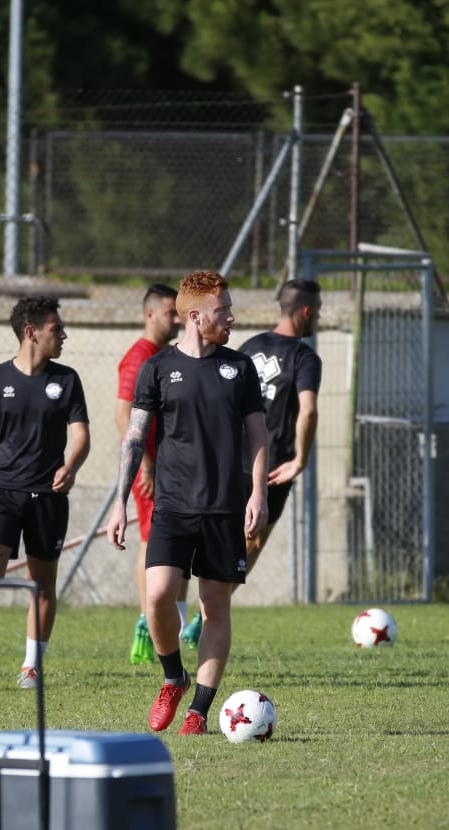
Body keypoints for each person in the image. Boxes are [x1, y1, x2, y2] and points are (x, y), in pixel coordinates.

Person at [105, 270, 269, 735]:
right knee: (157, 595)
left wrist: (256, 491)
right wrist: (121, 501)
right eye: (224, 310)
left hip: (224, 507)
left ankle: (198, 710)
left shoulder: (239, 369)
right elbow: (135, 437)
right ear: (195, 316)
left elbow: (257, 435)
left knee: (215, 606)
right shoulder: (157, 368)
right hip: (173, 507)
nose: (232, 317)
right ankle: (172, 677)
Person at [0, 296, 90, 690]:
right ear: (31, 332)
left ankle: (31, 667)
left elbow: (82, 437)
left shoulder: (67, 380)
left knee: (41, 584)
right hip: (0, 493)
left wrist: (70, 467)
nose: (63, 335)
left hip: (47, 497)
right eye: (56, 329)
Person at [115, 284, 199, 663]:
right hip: (150, 469)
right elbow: (123, 416)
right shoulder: (139, 358)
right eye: (170, 312)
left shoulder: (166, 356)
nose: (177, 319)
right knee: (154, 541)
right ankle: (149, 624)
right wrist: (146, 465)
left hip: (171, 468)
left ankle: (173, 626)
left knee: (178, 547)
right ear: (150, 314)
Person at [238, 278, 323, 576]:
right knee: (252, 541)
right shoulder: (304, 358)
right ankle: (206, 615)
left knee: (224, 538)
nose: (319, 317)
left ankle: (202, 610)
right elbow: (309, 411)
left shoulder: (248, 347)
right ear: (306, 312)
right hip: (273, 468)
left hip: (234, 459)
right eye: (319, 310)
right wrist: (300, 459)